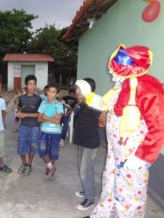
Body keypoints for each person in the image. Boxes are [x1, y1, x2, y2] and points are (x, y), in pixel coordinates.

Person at [85, 45, 164, 218]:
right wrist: (88, 95)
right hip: (115, 150)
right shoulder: (120, 86)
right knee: (109, 184)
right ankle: (103, 214)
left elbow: (159, 127)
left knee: (130, 194)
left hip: (133, 153)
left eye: (116, 70)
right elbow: (105, 104)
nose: (112, 74)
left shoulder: (147, 90)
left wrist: (142, 157)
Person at [73, 80, 101, 211]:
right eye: (76, 89)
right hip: (82, 140)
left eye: (79, 89)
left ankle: (90, 199)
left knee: (84, 171)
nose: (76, 92)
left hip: (90, 143)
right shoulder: (84, 102)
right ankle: (89, 190)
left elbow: (103, 118)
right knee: (85, 169)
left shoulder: (93, 102)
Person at [16, 75, 41, 176]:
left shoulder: (38, 99)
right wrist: (19, 112)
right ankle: (24, 163)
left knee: (32, 146)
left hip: (34, 126)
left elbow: (39, 114)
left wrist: (25, 114)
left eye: (34, 84)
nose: (32, 86)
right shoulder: (21, 98)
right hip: (23, 126)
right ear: (26, 85)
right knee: (21, 146)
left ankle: (29, 165)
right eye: (30, 84)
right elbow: (19, 109)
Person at [38, 83, 64, 180]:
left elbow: (57, 122)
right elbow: (39, 119)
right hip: (44, 131)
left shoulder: (58, 105)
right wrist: (51, 118)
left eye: (53, 92)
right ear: (46, 91)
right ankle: (51, 167)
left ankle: (49, 168)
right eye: (49, 91)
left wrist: (45, 117)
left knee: (53, 152)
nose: (50, 93)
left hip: (55, 133)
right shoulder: (43, 103)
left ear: (57, 94)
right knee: (42, 150)